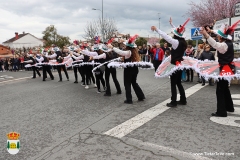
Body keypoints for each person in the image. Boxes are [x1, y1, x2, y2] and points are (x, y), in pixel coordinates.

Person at [200, 21, 239, 117]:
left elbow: (215, 45)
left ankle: (221, 111)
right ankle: (229, 107)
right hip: (228, 68)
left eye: (218, 36)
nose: (217, 37)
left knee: (220, 90)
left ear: (221, 37)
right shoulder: (228, 42)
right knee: (225, 88)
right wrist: (211, 31)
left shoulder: (224, 45)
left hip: (225, 68)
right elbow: (219, 35)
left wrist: (206, 34)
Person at [151, 18, 190, 107]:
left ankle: (173, 101)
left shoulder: (176, 42)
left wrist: (157, 29)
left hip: (174, 65)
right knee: (178, 83)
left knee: (173, 83)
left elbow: (165, 36)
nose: (172, 34)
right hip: (180, 65)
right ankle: (183, 100)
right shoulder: (183, 42)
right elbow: (178, 30)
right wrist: (171, 24)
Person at [108, 35, 145, 104]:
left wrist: (112, 47)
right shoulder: (134, 51)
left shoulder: (128, 52)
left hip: (129, 70)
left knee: (127, 84)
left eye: (125, 45)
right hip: (135, 69)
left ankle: (129, 99)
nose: (124, 46)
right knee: (134, 82)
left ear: (128, 46)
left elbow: (120, 52)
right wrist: (124, 41)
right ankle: (141, 96)